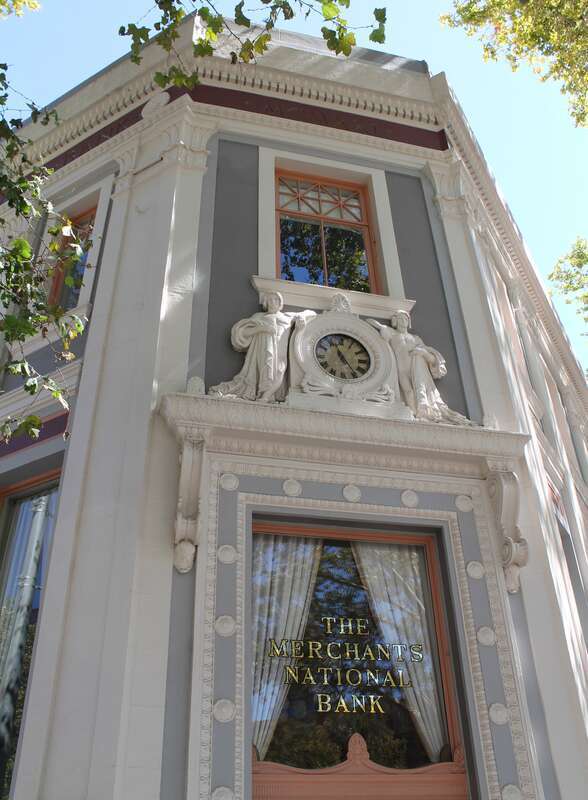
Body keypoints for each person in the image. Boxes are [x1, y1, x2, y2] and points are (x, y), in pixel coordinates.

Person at [368, 311, 473, 425]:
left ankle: (421, 413)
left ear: (408, 322)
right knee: (408, 392)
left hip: (415, 367)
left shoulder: (415, 338)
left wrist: (423, 353)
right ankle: (413, 415)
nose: (403, 322)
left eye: (405, 319)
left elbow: (429, 355)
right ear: (395, 321)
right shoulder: (392, 334)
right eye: (400, 319)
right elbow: (371, 322)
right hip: (401, 370)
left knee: (420, 389)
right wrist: (380, 326)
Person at [209, 292, 296, 402]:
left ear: (280, 303)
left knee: (280, 370)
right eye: (270, 300)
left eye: (276, 300)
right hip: (264, 350)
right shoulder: (259, 317)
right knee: (266, 371)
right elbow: (241, 333)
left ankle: (269, 395)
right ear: (266, 303)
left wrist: (302, 324)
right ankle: (265, 396)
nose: (273, 302)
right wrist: (260, 329)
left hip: (280, 353)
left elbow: (309, 313)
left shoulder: (288, 317)